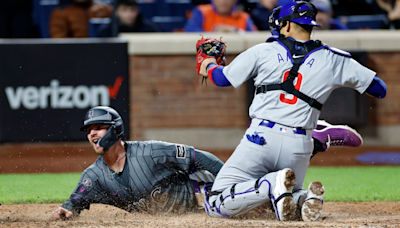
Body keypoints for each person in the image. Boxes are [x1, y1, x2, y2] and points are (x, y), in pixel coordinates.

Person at [197, 0, 387, 222]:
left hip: (260, 140)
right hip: (299, 147)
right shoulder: (335, 58)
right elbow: (379, 89)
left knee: (216, 200)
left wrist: (209, 63)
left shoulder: (263, 50)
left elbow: (220, 79)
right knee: (278, 199)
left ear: (286, 26)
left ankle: (272, 184)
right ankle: (302, 198)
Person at [50, 106, 224, 219]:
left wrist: (229, 178)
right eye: (88, 130)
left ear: (116, 129)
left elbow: (199, 157)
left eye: (98, 128)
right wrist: (66, 210)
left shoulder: (151, 151)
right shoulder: (93, 176)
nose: (92, 134)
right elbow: (74, 202)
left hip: (205, 197)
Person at [97, 0, 161, 37]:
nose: (129, 14)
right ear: (116, 12)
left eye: (132, 10)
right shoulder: (106, 32)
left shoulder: (150, 30)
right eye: (124, 10)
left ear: (138, 11)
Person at [184, 0, 258, 32]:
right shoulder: (201, 11)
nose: (223, 1)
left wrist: (237, 32)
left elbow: (254, 37)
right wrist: (213, 32)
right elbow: (189, 32)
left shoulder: (243, 17)